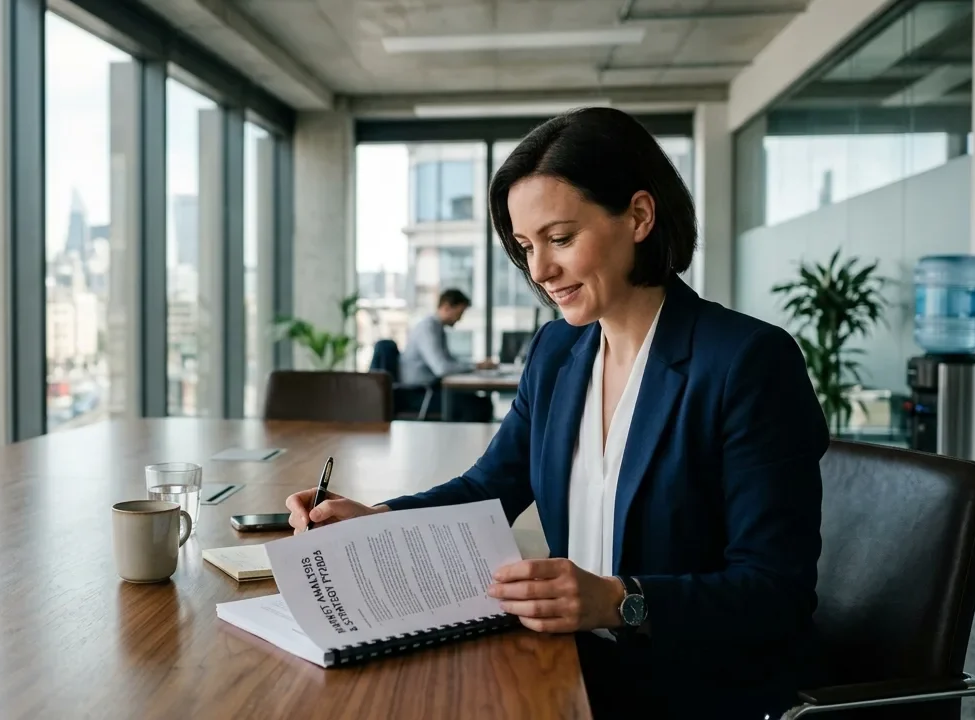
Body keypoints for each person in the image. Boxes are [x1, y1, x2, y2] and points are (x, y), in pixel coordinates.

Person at [286, 107, 828, 718]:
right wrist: (374, 520)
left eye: (561, 239)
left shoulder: (747, 362)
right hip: (571, 664)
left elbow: (776, 592)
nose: (540, 272)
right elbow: (489, 486)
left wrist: (620, 600)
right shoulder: (558, 350)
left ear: (640, 216)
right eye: (525, 246)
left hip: (693, 688)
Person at [399, 289, 497, 421]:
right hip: (420, 395)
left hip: (429, 390)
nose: (460, 319)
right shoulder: (428, 328)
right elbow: (442, 368)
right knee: (478, 405)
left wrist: (474, 365)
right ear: (446, 307)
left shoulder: (436, 328)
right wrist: (475, 367)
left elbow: (448, 362)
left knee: (479, 402)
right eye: (459, 313)